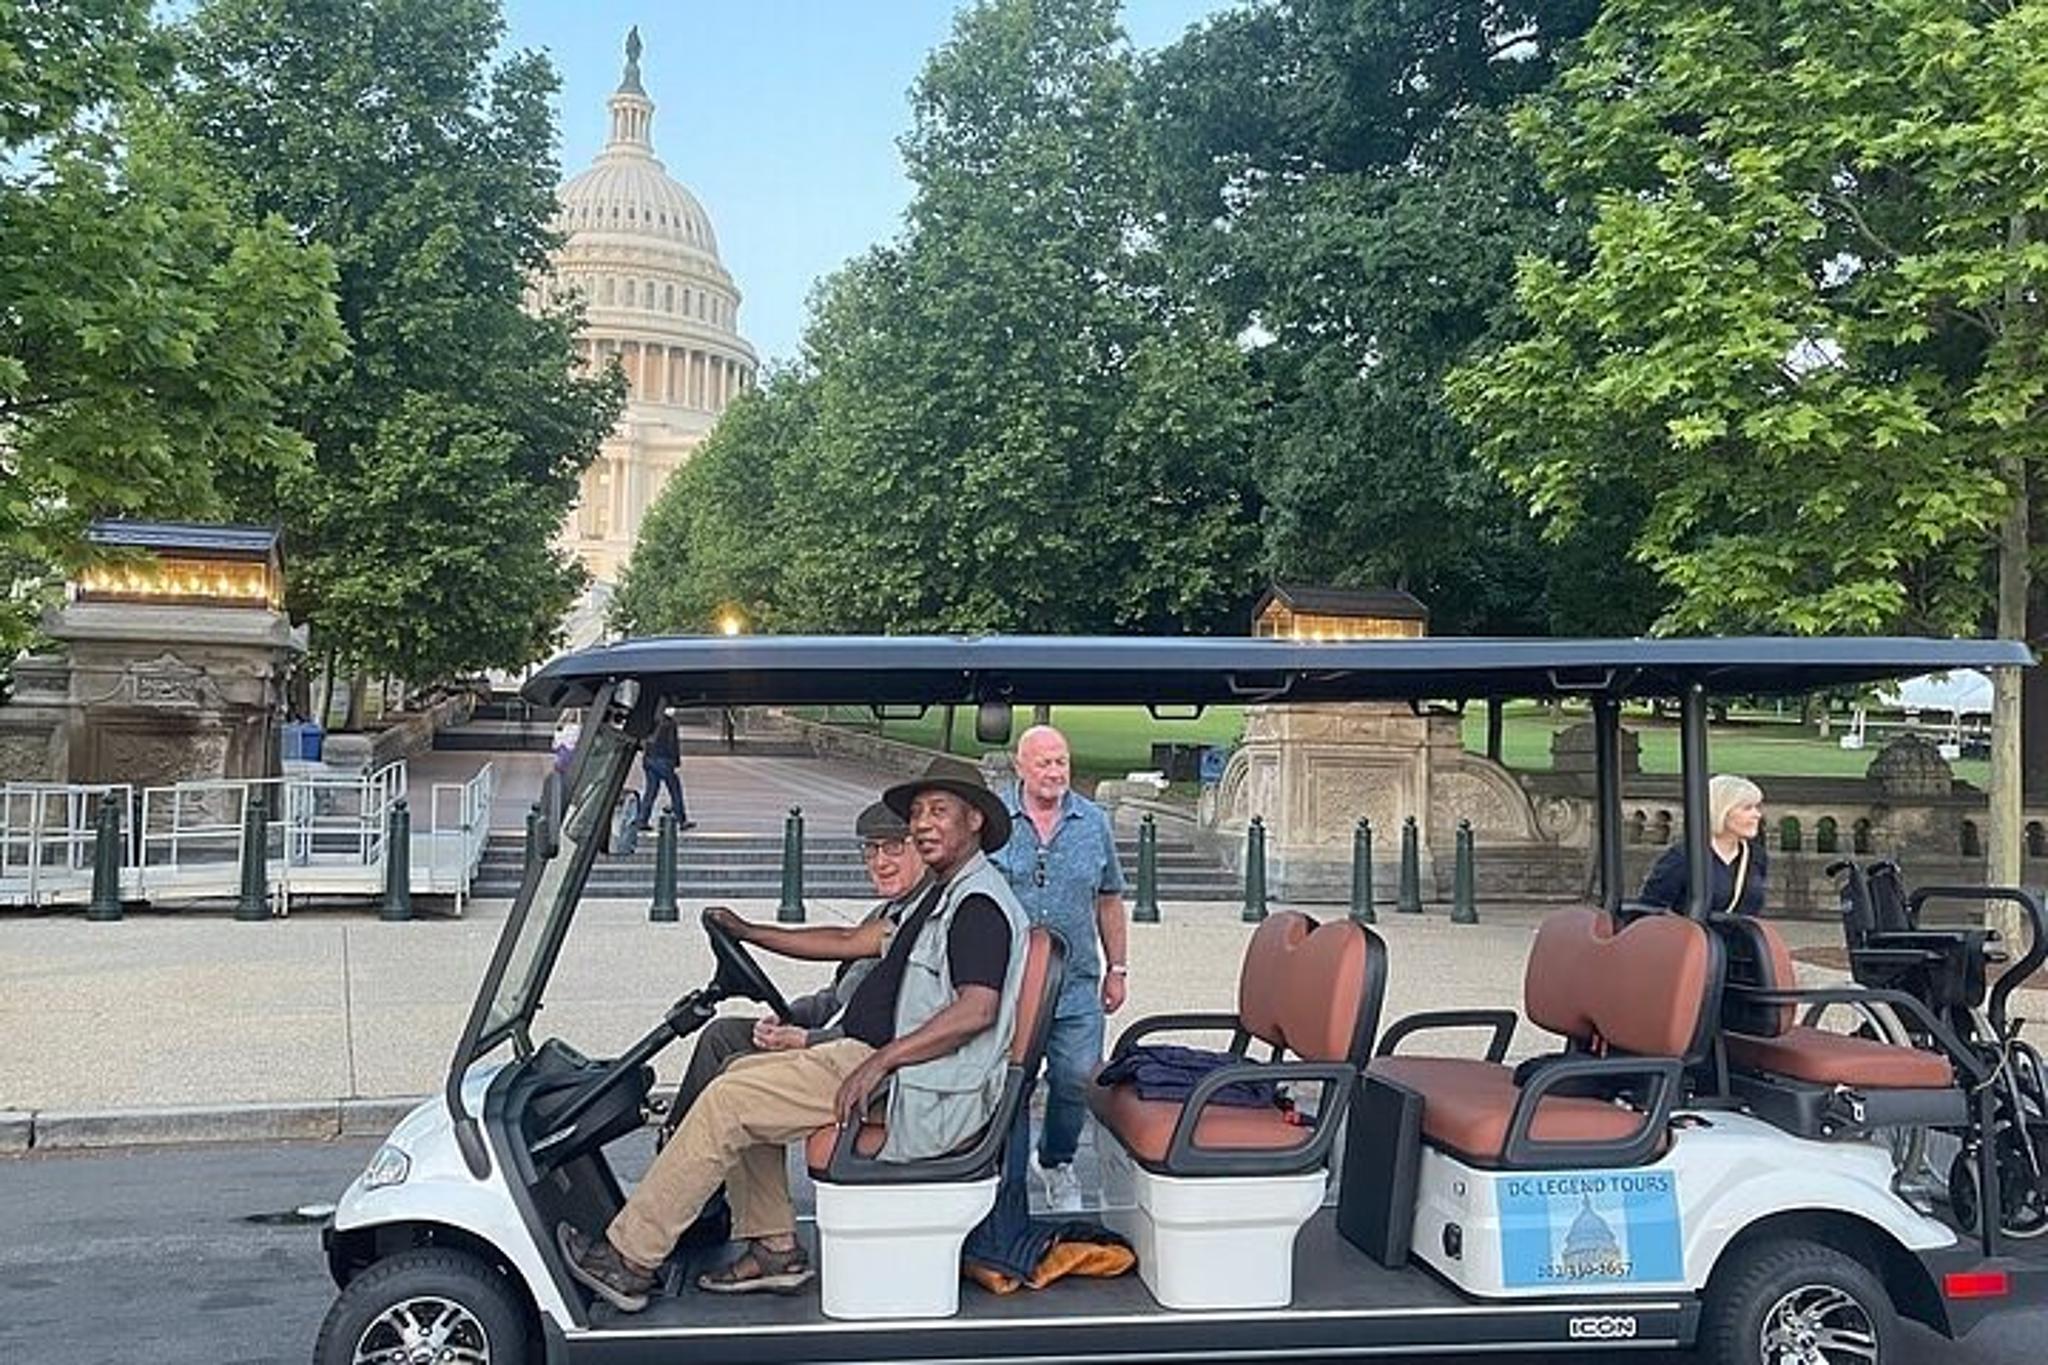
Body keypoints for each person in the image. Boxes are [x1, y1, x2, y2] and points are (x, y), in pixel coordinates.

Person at [558, 759, 1027, 1310]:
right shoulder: (935, 898)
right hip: (879, 1064)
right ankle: (776, 1248)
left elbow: (977, 1010)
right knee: (738, 1073)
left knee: (728, 1100)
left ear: (974, 820)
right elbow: (846, 939)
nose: (922, 823)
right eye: (918, 812)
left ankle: (629, 1259)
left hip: (911, 1087)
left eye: (938, 811)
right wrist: (751, 932)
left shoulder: (978, 906)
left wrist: (882, 1062)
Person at [656, 801, 930, 1146]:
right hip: (834, 1042)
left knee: (736, 1080)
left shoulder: (922, 922)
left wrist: (807, 1039)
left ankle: (683, 1157)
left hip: (864, 1065)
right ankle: (688, 1152)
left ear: (923, 850)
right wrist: (791, 1015)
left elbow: (888, 1024)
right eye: (870, 849)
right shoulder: (886, 912)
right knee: (722, 1035)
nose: (879, 862)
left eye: (893, 847)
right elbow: (837, 994)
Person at [990, 725, 1127, 1213]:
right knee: (1012, 1083)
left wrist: (1119, 969)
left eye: (1061, 762)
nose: (1055, 772)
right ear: (1020, 767)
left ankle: (1055, 1160)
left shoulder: (1093, 822)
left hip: (1076, 984)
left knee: (1075, 1079)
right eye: (1044, 763)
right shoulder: (993, 822)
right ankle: (1007, 1190)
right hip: (1010, 984)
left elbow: (1109, 898)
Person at [1639, 773, 1769, 916]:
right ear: (1722, 810)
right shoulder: (1683, 857)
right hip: (1696, 936)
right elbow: (1650, 909)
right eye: (1747, 808)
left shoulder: (1755, 856)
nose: (1757, 815)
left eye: (1757, 807)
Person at [637, 710, 693, 831]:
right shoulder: (670, 723)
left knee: (651, 791)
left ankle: (642, 820)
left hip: (649, 759)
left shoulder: (652, 720)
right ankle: (682, 820)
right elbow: (672, 743)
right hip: (664, 760)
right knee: (674, 789)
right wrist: (676, 761)